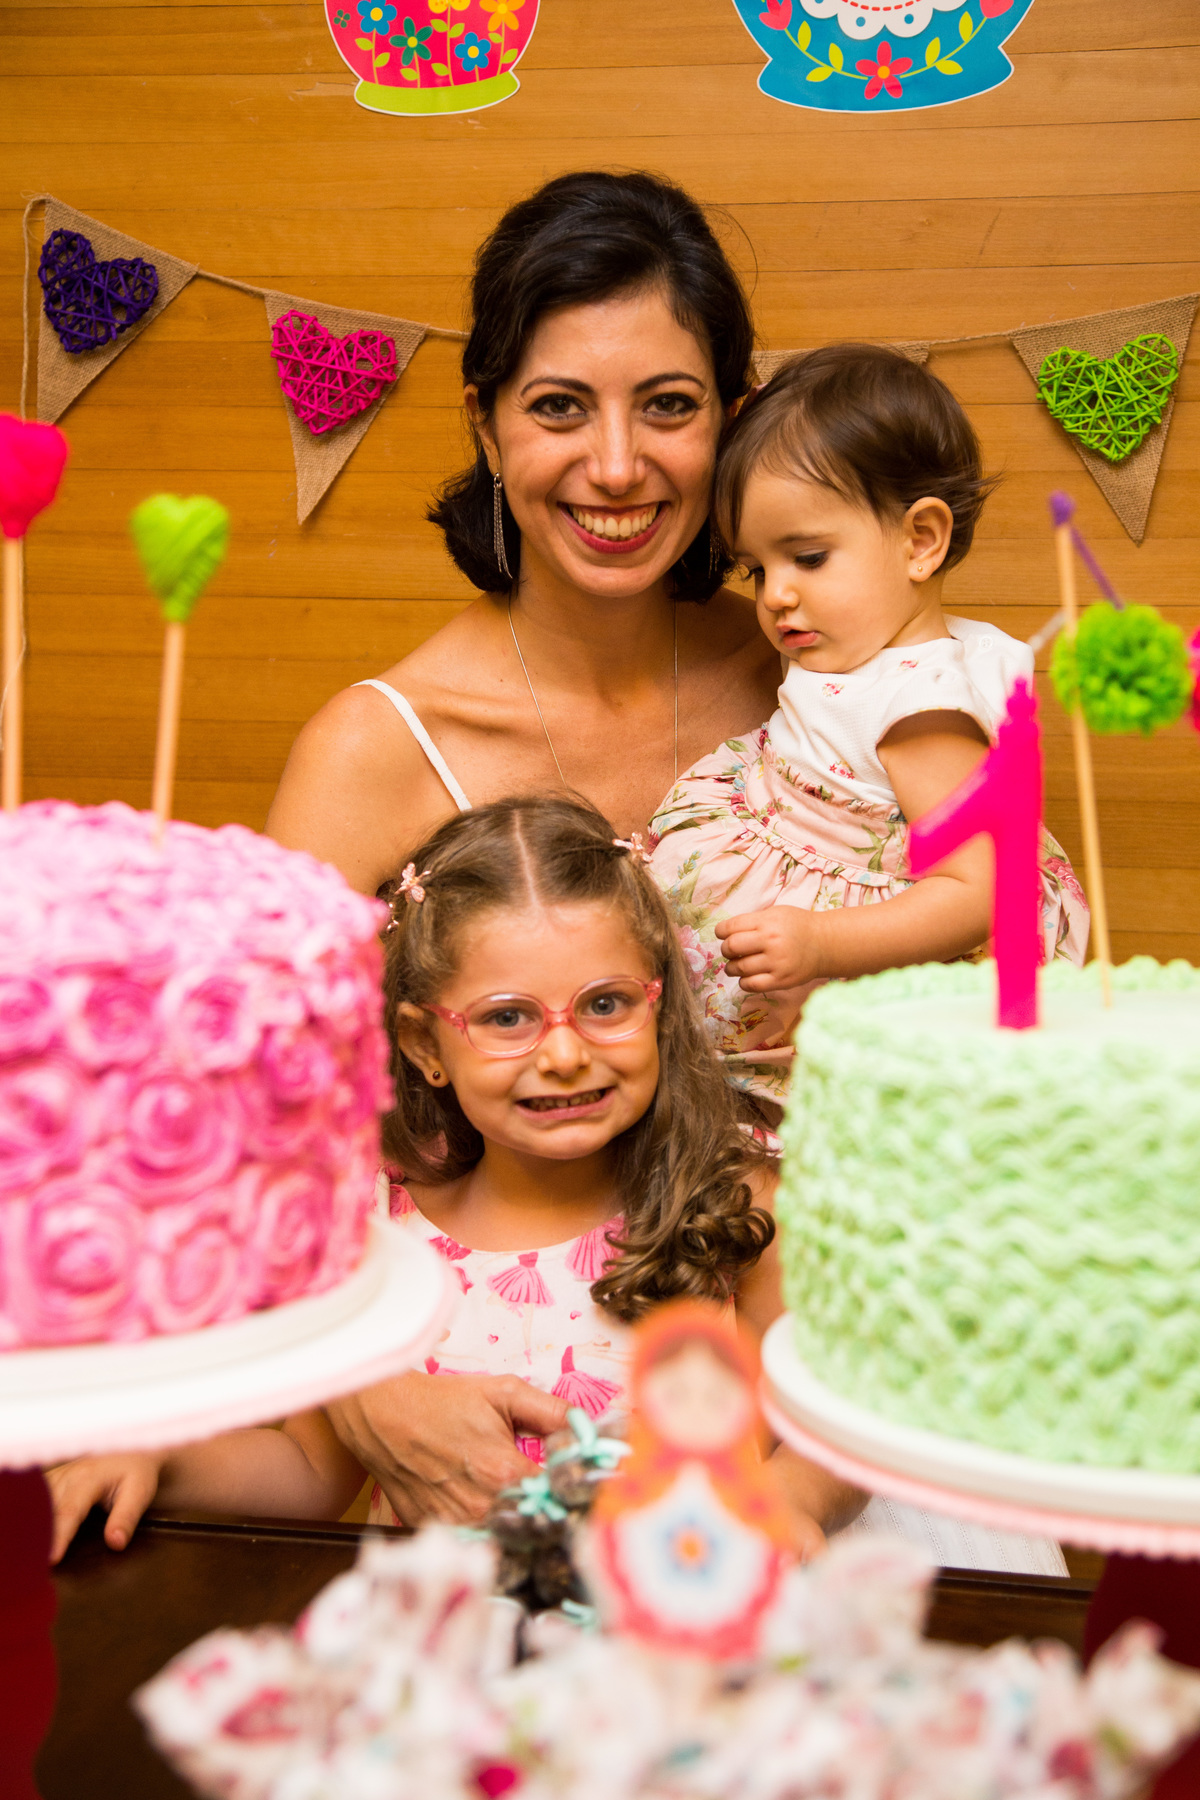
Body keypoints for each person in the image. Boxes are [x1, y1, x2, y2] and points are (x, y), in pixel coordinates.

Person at [264, 169, 781, 1524]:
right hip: (505, 1406)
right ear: (487, 426)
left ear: (732, 420)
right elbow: (262, 1128)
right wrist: (365, 1390)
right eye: (559, 406)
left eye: (668, 405)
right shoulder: (375, 749)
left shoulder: (813, 687)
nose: (615, 467)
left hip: (810, 1388)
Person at [46, 799, 864, 1565]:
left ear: (659, 1004)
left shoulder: (741, 1205)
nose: (565, 1053)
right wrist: (160, 1460)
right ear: (424, 1045)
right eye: (507, 1017)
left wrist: (791, 1500)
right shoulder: (383, 1237)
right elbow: (308, 1474)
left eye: (606, 1004)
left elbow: (844, 1416)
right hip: (447, 1644)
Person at [647, 345, 1090, 1106]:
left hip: (857, 967)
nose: (775, 595)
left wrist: (823, 943)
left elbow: (981, 891)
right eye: (758, 569)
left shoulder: (923, 711)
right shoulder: (854, 650)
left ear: (921, 542)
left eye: (808, 557)